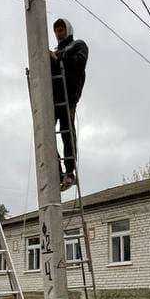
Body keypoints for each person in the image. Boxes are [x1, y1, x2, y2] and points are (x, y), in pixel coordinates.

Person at [49, 17, 88, 189]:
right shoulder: (55, 51)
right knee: (47, 136)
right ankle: (58, 172)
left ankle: (70, 172)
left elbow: (78, 63)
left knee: (66, 133)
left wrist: (59, 56)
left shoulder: (79, 45)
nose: (59, 33)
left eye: (62, 29)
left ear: (68, 30)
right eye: (56, 30)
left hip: (69, 96)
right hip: (53, 98)